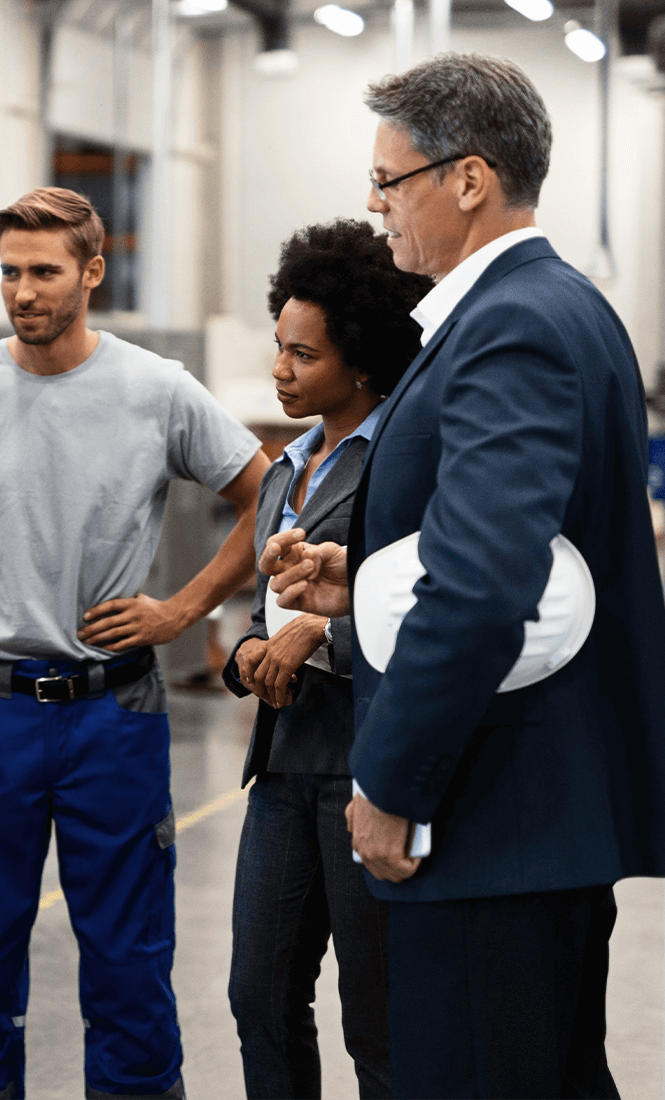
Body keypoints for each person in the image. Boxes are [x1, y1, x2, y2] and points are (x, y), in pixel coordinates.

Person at [262, 54, 665, 1098]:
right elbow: (489, 551)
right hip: (525, 820)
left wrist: (391, 779)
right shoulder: (540, 307)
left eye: (390, 181)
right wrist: (362, 579)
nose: (377, 210)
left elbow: (483, 580)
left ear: (467, 179)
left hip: (491, 814)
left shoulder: (511, 322)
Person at [0, 186, 270, 1100]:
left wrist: (184, 610)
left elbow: (264, 492)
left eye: (43, 272)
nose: (22, 292)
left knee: (127, 955)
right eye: (9, 272)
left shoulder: (155, 389)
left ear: (91, 273)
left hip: (114, 713)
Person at [222, 219, 429, 1100]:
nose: (279, 370)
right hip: (280, 770)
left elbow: (424, 612)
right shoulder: (282, 470)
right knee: (258, 994)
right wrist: (246, 651)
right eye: (278, 347)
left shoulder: (404, 464)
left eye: (301, 357)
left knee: (376, 1018)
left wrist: (325, 641)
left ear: (362, 362)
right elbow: (259, 611)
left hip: (361, 765)